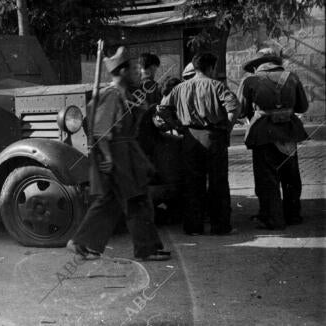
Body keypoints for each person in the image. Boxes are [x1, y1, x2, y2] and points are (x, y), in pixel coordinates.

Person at [67, 47, 171, 262]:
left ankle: (83, 243)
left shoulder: (124, 94)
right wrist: (107, 157)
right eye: (133, 69)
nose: (137, 72)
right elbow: (100, 130)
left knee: (111, 202)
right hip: (118, 155)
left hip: (126, 153)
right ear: (122, 72)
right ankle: (146, 248)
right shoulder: (112, 95)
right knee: (137, 201)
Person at [160, 52, 240, 235]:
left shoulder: (179, 88)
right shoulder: (217, 85)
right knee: (217, 182)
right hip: (214, 137)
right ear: (211, 67)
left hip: (190, 139)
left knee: (193, 183)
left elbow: (162, 108)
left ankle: (193, 227)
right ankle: (220, 226)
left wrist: (178, 126)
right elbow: (234, 107)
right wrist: (226, 127)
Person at [237, 48, 309, 229]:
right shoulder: (292, 77)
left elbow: (240, 110)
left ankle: (272, 218)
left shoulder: (249, 80)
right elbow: (302, 107)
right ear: (276, 62)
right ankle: (293, 215)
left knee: (267, 177)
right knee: (291, 175)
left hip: (263, 133)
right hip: (289, 131)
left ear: (257, 65)